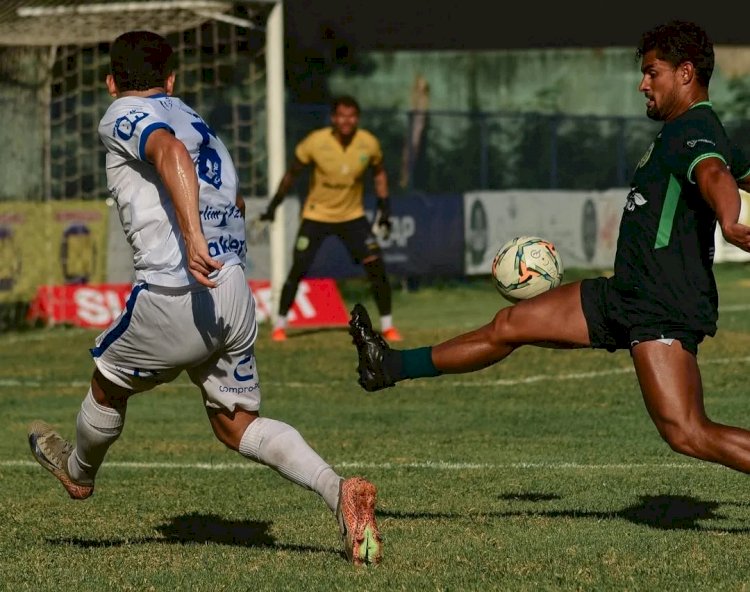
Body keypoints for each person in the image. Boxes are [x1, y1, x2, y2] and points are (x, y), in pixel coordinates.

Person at [26, 30, 382, 567]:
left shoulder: (123, 112)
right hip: (232, 291)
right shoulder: (197, 120)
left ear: (110, 83)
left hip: (178, 288)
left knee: (106, 385)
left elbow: (166, 152)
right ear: (172, 80)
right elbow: (231, 194)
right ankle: (339, 493)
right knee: (236, 424)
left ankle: (78, 474)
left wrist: (192, 237)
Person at [349, 20, 750, 477]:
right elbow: (736, 169)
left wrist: (728, 217)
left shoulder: (694, 129)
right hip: (625, 294)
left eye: (652, 72)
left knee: (687, 432)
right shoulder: (690, 129)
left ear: (684, 72)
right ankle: (388, 365)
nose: (643, 84)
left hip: (662, 304)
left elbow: (715, 174)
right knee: (509, 325)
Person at [259, 95, 402, 343]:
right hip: (317, 215)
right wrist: (274, 205)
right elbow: (292, 173)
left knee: (376, 265)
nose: (347, 121)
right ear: (333, 118)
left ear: (357, 118)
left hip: (352, 216)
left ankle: (388, 326)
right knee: (298, 267)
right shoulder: (315, 142)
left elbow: (379, 174)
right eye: (342, 116)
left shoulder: (368, 143)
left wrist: (384, 209)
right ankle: (280, 326)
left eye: (352, 116)